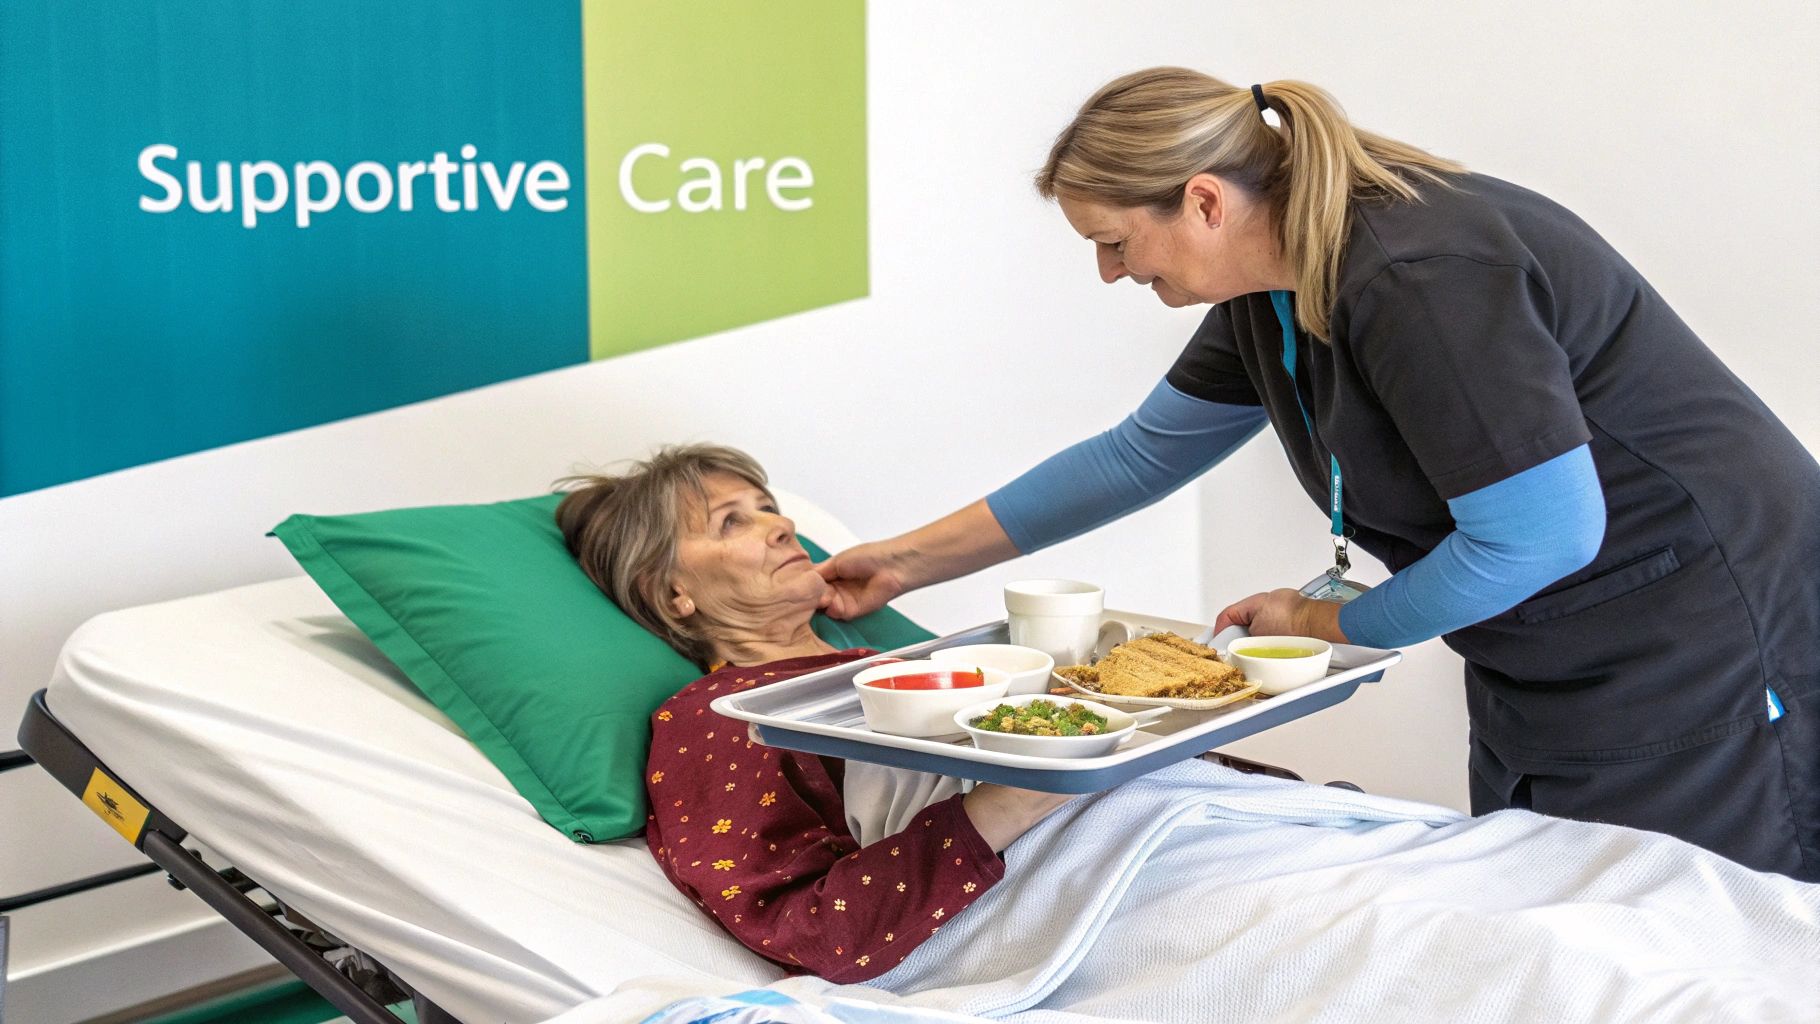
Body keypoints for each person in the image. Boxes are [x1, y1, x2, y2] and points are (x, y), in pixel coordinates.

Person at [816, 67, 1820, 881]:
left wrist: (1324, 624)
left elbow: (1540, 534)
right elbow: (1140, 453)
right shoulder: (1272, 286)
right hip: (1544, 641)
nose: (1111, 274)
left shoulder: (1416, 273)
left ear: (1203, 200)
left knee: (1691, 935)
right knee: (1552, 910)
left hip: (1700, 625)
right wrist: (902, 563)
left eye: (1114, 243)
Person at [555, 444, 1073, 982]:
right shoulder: (722, 716)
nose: (782, 525)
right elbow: (814, 932)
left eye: (767, 507)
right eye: (731, 521)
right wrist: (1018, 796)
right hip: (1033, 907)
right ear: (671, 592)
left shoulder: (905, 665)